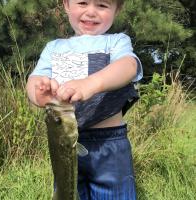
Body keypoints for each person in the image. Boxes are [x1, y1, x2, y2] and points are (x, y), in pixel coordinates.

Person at [26, 0, 143, 199]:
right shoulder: (54, 47)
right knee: (66, 192)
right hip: (62, 142)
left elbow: (128, 66)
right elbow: (34, 79)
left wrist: (92, 83)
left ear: (117, 9)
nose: (91, 12)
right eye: (82, 2)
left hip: (109, 142)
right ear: (66, 5)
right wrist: (38, 94)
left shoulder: (115, 41)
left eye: (102, 5)